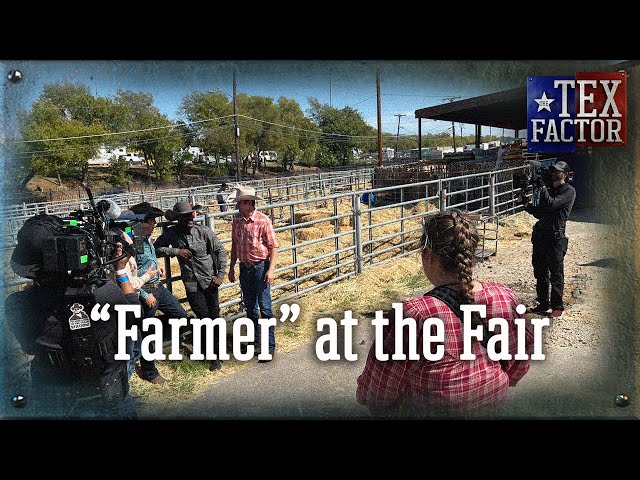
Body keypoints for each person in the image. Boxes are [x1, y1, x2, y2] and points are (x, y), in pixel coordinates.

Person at [356, 209, 534, 417]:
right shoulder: (505, 298)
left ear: (427, 256)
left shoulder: (413, 316)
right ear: (472, 256)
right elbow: (517, 370)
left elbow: (375, 395)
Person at [4, 214, 140, 418]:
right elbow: (133, 319)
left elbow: (29, 347)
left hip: (56, 400)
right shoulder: (105, 293)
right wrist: (120, 271)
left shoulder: (17, 304)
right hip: (110, 395)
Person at [154, 201, 227, 371]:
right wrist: (176, 251)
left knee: (214, 316)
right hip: (192, 284)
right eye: (185, 216)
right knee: (202, 317)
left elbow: (220, 251)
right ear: (178, 218)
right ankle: (212, 356)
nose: (189, 218)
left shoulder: (204, 231)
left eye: (191, 215)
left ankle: (216, 351)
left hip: (210, 281)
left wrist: (220, 275)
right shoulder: (172, 234)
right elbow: (156, 248)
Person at [126, 202, 190, 384]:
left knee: (180, 316)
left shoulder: (146, 239)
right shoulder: (132, 243)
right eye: (152, 220)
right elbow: (129, 275)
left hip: (158, 287)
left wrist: (157, 266)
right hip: (145, 292)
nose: (155, 224)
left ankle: (149, 340)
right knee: (148, 333)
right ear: (141, 222)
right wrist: (145, 296)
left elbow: (147, 261)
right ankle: (149, 372)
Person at [517, 160, 576, 318]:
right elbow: (540, 213)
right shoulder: (549, 190)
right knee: (540, 271)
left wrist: (542, 187)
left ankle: (557, 306)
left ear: (565, 174)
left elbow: (551, 205)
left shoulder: (568, 192)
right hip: (541, 236)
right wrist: (525, 203)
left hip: (556, 238)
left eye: (557, 171)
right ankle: (543, 303)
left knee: (556, 273)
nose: (554, 173)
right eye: (553, 171)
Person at [228, 185, 279, 362]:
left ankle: (269, 346)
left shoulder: (263, 220)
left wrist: (271, 269)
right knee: (250, 308)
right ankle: (255, 341)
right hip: (245, 267)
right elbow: (235, 244)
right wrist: (232, 266)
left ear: (249, 203)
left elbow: (273, 246)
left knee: (265, 307)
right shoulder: (237, 221)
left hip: (260, 267)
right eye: (239, 203)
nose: (238, 206)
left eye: (241, 203)